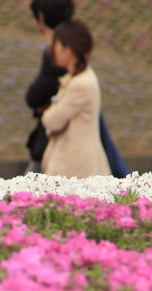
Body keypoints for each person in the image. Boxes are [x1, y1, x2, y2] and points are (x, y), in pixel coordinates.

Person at [24, 0, 130, 177]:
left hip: (74, 161)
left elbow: (45, 112)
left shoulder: (77, 82)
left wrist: (51, 106)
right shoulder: (82, 76)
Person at [40, 19, 111, 178]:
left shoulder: (80, 84)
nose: (54, 50)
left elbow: (51, 121)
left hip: (77, 166)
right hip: (76, 163)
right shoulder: (79, 79)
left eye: (57, 45)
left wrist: (49, 111)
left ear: (69, 50)